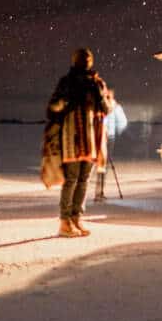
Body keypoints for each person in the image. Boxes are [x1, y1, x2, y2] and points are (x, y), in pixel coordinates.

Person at [45, 47, 111, 237]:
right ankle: (65, 221)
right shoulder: (66, 82)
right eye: (84, 58)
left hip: (90, 138)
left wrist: (100, 96)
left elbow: (106, 110)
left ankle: (76, 217)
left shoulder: (96, 82)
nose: (87, 61)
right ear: (75, 60)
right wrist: (67, 103)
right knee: (72, 179)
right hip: (71, 137)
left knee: (83, 180)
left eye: (89, 58)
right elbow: (52, 108)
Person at [95, 88, 128, 200]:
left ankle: (100, 191)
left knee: (103, 164)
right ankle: (99, 191)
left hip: (108, 137)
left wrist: (118, 130)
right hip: (100, 136)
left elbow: (122, 122)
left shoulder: (115, 107)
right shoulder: (102, 106)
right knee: (100, 164)